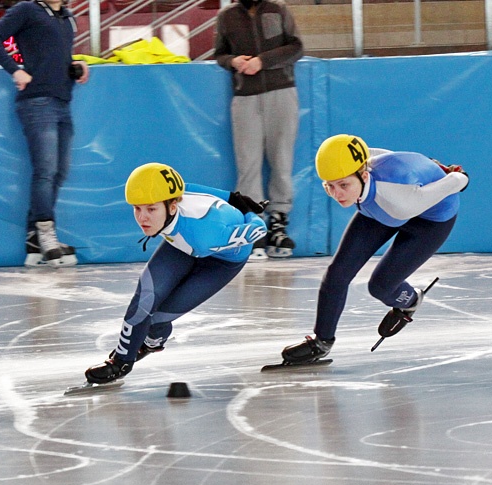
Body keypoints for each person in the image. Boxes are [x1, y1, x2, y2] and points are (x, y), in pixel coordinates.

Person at [278, 134, 469, 365]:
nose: (337, 194)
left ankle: (410, 301)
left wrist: (457, 176)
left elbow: (454, 183)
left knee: (380, 286)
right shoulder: (362, 166)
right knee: (337, 274)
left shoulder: (400, 200)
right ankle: (322, 342)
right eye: (329, 186)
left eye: (343, 185)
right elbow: (380, 154)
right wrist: (431, 165)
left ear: (364, 174)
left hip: (428, 219)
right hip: (382, 202)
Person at [83, 163, 268, 384]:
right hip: (183, 243)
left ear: (172, 206)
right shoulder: (174, 195)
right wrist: (234, 197)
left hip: (220, 260)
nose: (143, 218)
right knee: (144, 300)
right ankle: (121, 361)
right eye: (137, 208)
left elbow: (259, 230)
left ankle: (153, 341)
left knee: (158, 318)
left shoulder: (206, 235)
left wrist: (248, 212)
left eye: (151, 209)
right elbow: (194, 188)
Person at [0, 0, 89, 267]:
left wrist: (75, 65)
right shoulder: (27, 10)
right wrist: (16, 70)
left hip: (63, 101)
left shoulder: (66, 16)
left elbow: (55, 54)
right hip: (37, 102)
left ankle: (34, 238)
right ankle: (46, 233)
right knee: (46, 169)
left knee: (59, 171)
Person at [214, 0, 304, 261]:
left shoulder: (279, 9)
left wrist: (263, 61)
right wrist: (233, 61)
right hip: (244, 98)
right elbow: (219, 53)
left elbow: (296, 47)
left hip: (282, 92)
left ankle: (278, 224)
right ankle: (255, 228)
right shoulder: (227, 16)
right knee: (248, 164)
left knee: (282, 160)